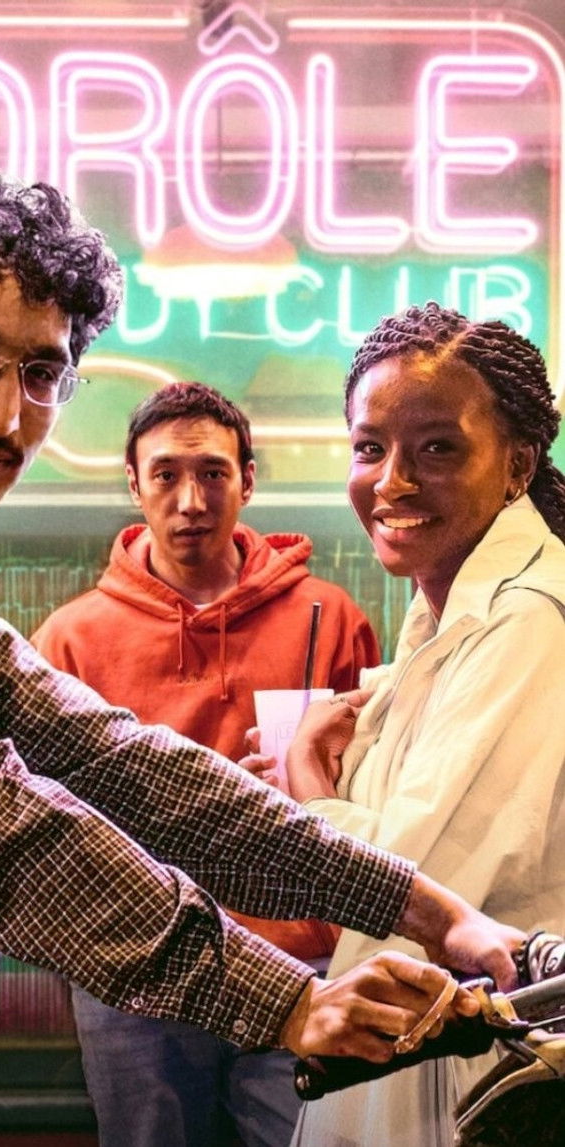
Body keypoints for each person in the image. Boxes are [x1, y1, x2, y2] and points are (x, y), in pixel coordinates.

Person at [0, 165, 521, 1147]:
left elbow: (125, 766)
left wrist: (429, 909)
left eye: (39, 372)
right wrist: (288, 1002)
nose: (3, 415)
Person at [30, 381, 380, 1147]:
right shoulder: (70, 639)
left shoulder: (330, 618)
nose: (191, 500)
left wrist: (306, 776)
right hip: (139, 975)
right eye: (166, 474)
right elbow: (46, 821)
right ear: (134, 484)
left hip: (301, 958)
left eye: (213, 473)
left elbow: (377, 796)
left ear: (247, 480)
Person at [282, 301, 565, 1147]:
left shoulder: (529, 619)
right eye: (370, 448)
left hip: (494, 1069)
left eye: (437, 448)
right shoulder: (445, 613)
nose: (392, 481)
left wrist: (306, 782)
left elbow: (415, 881)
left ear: (517, 465)